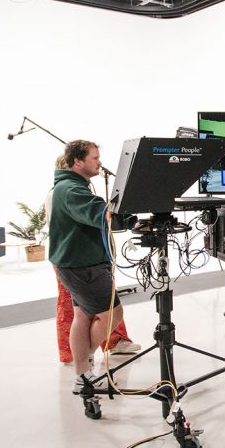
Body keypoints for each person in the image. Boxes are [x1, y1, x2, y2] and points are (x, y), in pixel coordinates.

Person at [46, 154, 139, 365]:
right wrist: (130, 220)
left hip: (73, 259)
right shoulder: (69, 191)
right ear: (75, 163)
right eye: (95, 157)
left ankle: (85, 363)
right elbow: (96, 214)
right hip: (78, 261)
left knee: (84, 313)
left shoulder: (69, 188)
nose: (99, 162)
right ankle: (81, 356)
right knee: (107, 313)